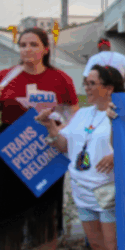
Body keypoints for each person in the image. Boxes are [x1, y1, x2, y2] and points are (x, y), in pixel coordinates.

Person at [0, 28, 79, 250]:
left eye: (33, 44)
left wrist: (57, 126)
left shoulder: (60, 78)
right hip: (13, 150)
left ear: (45, 49)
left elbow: (73, 113)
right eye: (23, 44)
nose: (27, 49)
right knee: (9, 212)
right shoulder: (5, 77)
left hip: (47, 149)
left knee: (45, 213)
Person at [35, 65, 125, 250]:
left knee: (113, 246)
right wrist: (50, 127)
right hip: (82, 191)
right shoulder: (83, 114)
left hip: (108, 192)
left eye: (92, 83)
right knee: (95, 245)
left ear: (109, 88)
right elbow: (64, 146)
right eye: (85, 83)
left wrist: (117, 155)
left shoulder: (120, 113)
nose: (86, 88)